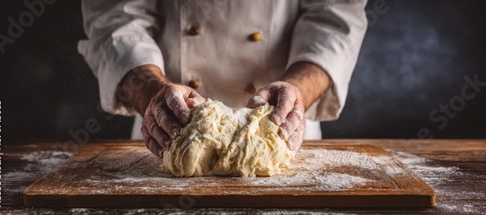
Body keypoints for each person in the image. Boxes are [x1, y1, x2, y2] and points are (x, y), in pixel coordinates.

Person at [78, 0, 368, 157]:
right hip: (167, 130)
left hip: (282, 127)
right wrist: (152, 93)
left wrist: (298, 89)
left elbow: (334, 20)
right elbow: (116, 21)